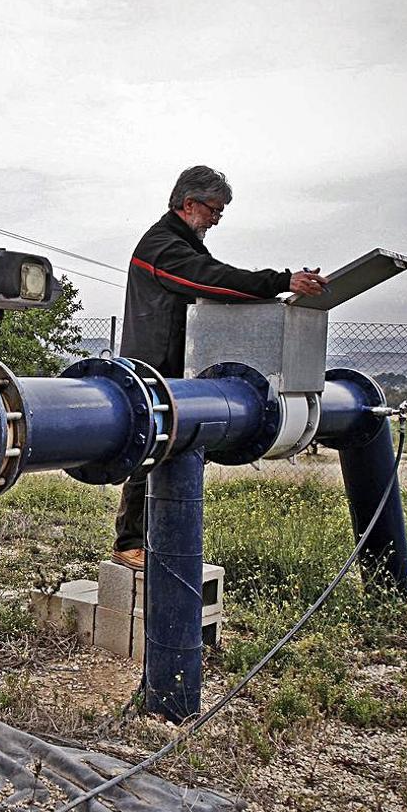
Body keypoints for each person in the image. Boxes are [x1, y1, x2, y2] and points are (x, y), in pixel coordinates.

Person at [112, 165, 327, 570]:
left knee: (169, 452)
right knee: (151, 447)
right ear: (189, 203)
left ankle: (153, 538)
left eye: (220, 212)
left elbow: (215, 281)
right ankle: (129, 542)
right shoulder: (162, 246)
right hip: (155, 364)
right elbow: (214, 282)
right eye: (214, 210)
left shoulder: (183, 242)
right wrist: (281, 281)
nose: (216, 219)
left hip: (175, 365)